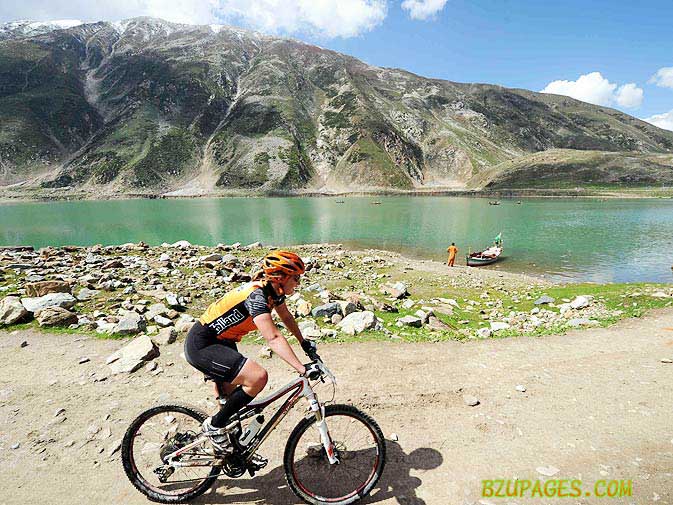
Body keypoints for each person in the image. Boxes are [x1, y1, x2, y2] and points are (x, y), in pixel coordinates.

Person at [184, 250, 316, 454]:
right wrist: (301, 368)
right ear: (280, 278)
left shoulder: (274, 292)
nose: (298, 283)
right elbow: (273, 338)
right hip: (203, 344)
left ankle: (232, 454)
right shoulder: (257, 296)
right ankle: (214, 427)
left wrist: (304, 343)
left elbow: (286, 317)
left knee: (231, 405)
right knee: (257, 377)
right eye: (296, 278)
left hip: (223, 342)